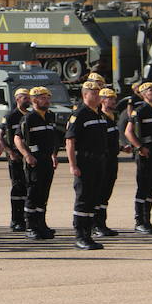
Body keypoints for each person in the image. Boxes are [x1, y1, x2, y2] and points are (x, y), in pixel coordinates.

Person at [66, 81, 109, 250]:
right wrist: (73, 165)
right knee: (83, 199)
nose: (99, 95)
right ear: (85, 95)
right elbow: (70, 141)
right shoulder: (79, 114)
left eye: (99, 92)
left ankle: (88, 234)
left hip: (98, 162)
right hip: (84, 162)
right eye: (94, 93)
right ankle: (80, 235)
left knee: (93, 198)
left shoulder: (98, 114)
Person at [14, 86, 59, 240]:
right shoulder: (28, 118)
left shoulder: (49, 116)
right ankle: (31, 226)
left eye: (48, 97)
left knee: (43, 194)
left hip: (47, 159)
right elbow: (17, 138)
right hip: (34, 161)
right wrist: (27, 155)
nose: (47, 100)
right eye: (43, 98)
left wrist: (54, 154)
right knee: (33, 193)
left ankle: (41, 224)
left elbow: (52, 138)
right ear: (34, 100)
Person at [125, 82, 152, 234]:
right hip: (145, 154)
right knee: (143, 187)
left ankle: (147, 220)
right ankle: (139, 221)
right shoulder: (140, 111)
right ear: (143, 94)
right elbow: (128, 132)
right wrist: (139, 147)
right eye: (150, 90)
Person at [0, 87, 31, 232]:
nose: (27, 100)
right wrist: (9, 152)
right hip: (15, 158)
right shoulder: (10, 116)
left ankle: (26, 218)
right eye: (24, 98)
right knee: (18, 188)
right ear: (17, 99)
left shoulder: (30, 115)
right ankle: (16, 220)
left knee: (28, 187)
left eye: (28, 97)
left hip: (28, 156)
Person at [95, 88, 126, 237]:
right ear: (102, 100)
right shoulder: (100, 117)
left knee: (106, 193)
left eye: (114, 98)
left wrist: (121, 147)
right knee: (99, 193)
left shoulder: (113, 116)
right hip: (102, 161)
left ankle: (102, 224)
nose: (114, 101)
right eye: (110, 99)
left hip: (112, 160)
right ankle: (96, 225)